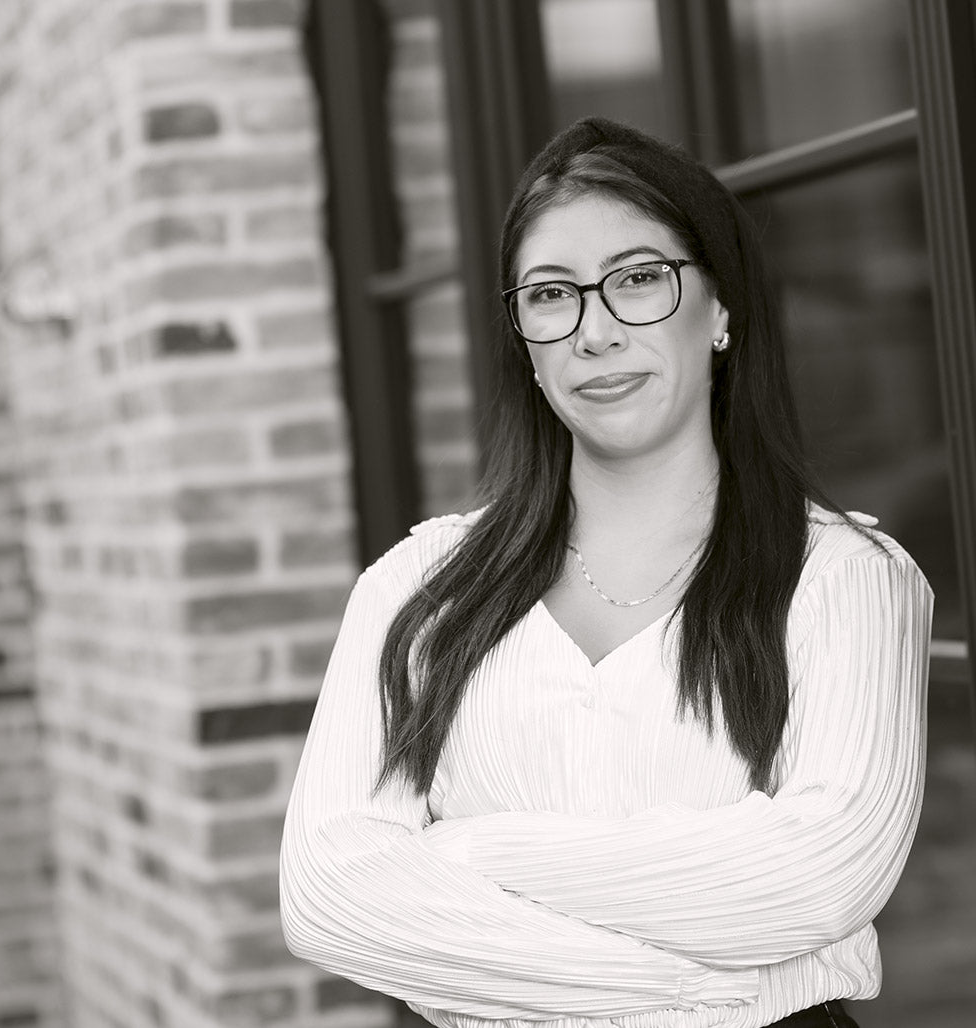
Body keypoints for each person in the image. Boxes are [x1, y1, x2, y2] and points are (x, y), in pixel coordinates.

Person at [279, 117, 932, 1028]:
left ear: (722, 309)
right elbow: (330, 901)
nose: (596, 332)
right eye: (553, 295)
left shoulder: (841, 576)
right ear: (526, 341)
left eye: (638, 280)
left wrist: (468, 855)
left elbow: (819, 881)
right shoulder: (418, 589)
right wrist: (690, 992)